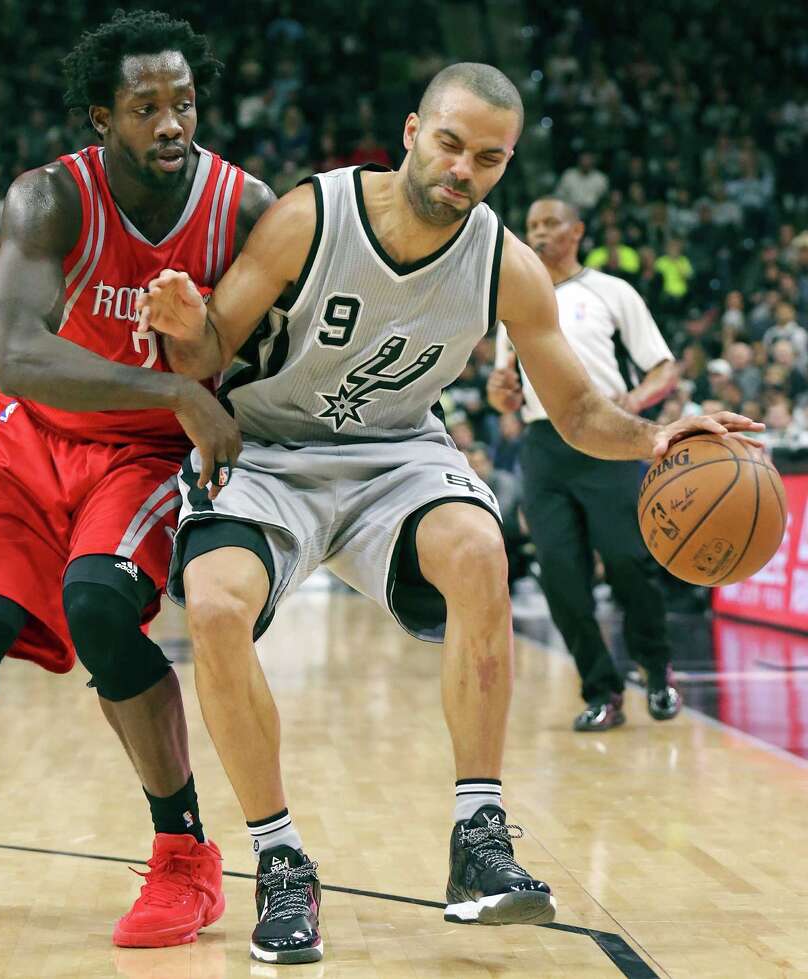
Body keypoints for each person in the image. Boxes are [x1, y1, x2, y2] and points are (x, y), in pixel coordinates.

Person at [138, 63, 762, 963]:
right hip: (269, 445)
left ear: (506, 164)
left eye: (489, 158)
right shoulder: (312, 216)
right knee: (215, 604)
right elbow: (209, 351)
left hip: (396, 453)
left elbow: (578, 412)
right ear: (411, 133)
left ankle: (479, 839)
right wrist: (181, 322)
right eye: (450, 144)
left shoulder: (508, 266)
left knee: (479, 551)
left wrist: (658, 436)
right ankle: (280, 860)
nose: (464, 169)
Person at [0, 10, 275, 950]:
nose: (171, 123)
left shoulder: (243, 207)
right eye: (145, 106)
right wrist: (176, 386)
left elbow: (285, 338)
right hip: (28, 441)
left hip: (141, 456)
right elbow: (15, 355)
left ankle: (185, 853)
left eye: (183, 103)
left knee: (100, 606)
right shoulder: (49, 199)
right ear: (102, 118)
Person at [490, 196, 683, 732]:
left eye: (550, 223)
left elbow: (664, 368)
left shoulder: (611, 291)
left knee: (628, 562)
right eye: (532, 224)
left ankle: (656, 669)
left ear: (576, 231)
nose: (539, 233)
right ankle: (602, 690)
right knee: (560, 577)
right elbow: (505, 394)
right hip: (543, 444)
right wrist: (501, 394)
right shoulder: (517, 301)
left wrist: (632, 402)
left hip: (607, 439)